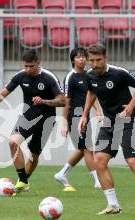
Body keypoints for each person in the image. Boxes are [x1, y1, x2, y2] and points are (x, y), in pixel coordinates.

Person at [78, 43, 135, 215]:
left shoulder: (118, 72)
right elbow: (91, 93)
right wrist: (85, 115)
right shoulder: (89, 76)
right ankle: (113, 205)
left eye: (98, 60)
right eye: (91, 60)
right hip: (108, 122)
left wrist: (131, 105)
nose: (94, 64)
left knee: (132, 162)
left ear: (105, 58)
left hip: (126, 120)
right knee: (99, 160)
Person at [0, 49, 65, 194]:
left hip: (46, 121)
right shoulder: (20, 76)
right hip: (28, 118)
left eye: (31, 66)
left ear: (38, 63)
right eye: (25, 66)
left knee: (33, 156)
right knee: (13, 142)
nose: (28, 69)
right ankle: (22, 180)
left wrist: (44, 101)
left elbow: (62, 101)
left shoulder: (48, 78)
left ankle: (23, 182)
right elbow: (4, 92)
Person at [54, 47, 102, 191]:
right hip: (75, 117)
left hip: (84, 116)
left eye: (83, 57)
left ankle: (61, 174)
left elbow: (92, 95)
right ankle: (97, 181)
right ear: (73, 60)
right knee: (88, 149)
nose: (81, 59)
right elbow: (66, 101)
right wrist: (63, 122)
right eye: (78, 57)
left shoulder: (89, 75)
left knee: (82, 150)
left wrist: (99, 111)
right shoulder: (70, 77)